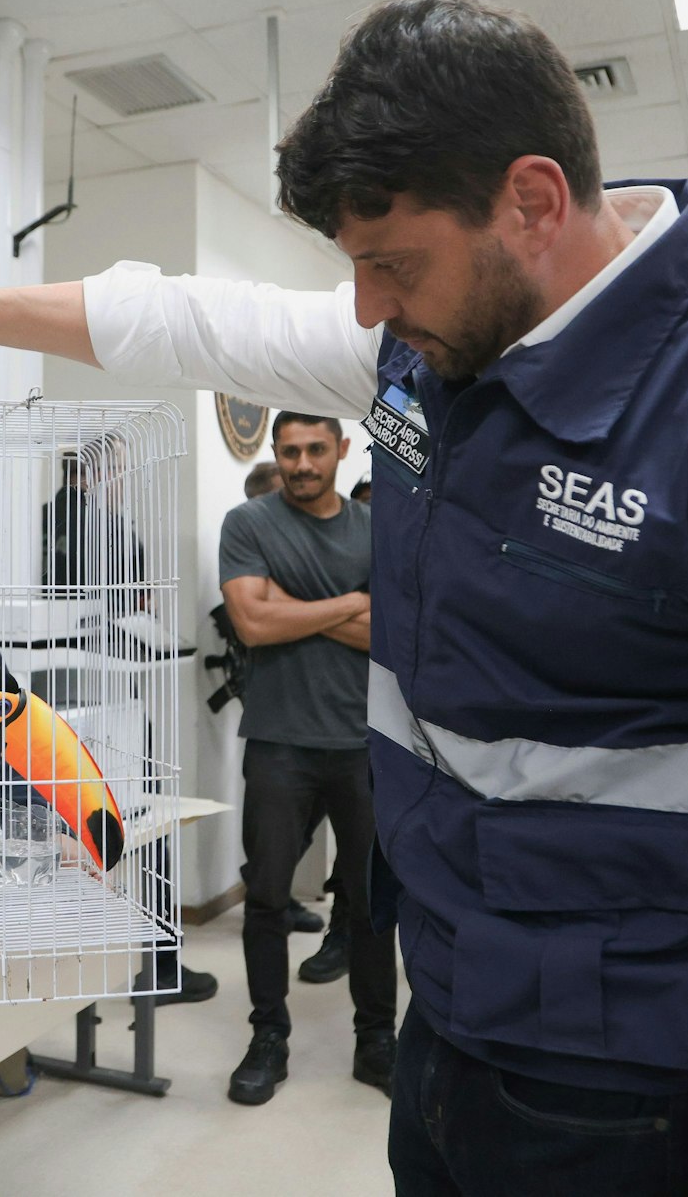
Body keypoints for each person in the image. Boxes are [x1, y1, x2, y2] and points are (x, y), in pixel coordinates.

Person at [0, 0, 688, 1196]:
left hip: (657, 1093)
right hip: (452, 1028)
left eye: (391, 264)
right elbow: (197, 319)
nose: (365, 304)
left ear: (532, 200)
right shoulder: (426, 349)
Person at [219, 412, 397, 1105]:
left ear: (340, 450)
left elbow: (391, 636)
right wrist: (353, 600)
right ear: (275, 453)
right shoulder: (248, 525)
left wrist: (293, 603)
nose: (300, 463)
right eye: (288, 451)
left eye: (315, 450)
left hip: (362, 742)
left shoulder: (374, 530)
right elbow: (252, 624)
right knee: (265, 899)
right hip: (277, 742)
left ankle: (376, 1038)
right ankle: (268, 1035)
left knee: (373, 904)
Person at [41, 437, 221, 1007]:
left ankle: (74, 974)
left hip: (50, 711)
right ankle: (161, 964)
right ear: (96, 474)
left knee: (64, 837)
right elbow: (140, 610)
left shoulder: (37, 525)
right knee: (145, 824)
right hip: (114, 701)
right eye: (120, 470)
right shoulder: (116, 533)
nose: (125, 480)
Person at [241, 458, 335, 945]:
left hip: (332, 714)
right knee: (274, 833)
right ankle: (269, 898)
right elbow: (256, 622)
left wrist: (305, 609)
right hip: (277, 717)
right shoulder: (250, 548)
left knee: (310, 818)